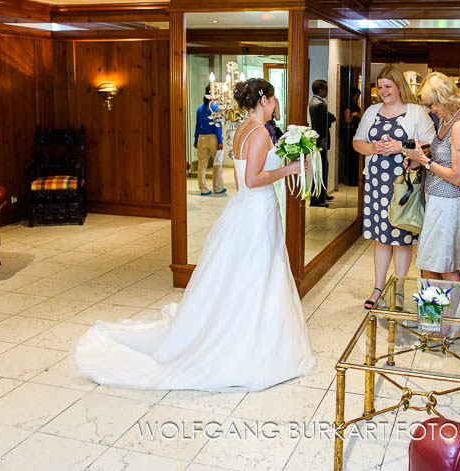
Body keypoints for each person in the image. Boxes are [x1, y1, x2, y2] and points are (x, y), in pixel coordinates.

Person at [72, 78, 315, 391]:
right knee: (258, 274)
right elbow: (253, 180)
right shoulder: (258, 133)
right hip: (256, 212)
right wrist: (290, 169)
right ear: (265, 100)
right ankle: (251, 342)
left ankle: (255, 330)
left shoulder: (243, 128)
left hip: (249, 209)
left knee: (249, 274)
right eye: (274, 99)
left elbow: (241, 183)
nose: (276, 104)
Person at [353, 65, 435, 309]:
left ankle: (398, 288)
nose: (383, 91)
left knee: (401, 236)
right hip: (377, 184)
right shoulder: (372, 111)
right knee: (381, 237)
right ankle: (378, 287)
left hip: (402, 184)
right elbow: (358, 142)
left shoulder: (416, 112)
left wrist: (401, 146)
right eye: (379, 87)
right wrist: (373, 148)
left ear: (399, 86)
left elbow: (431, 142)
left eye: (388, 86)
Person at [405, 73, 460, 284]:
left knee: (446, 266)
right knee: (429, 264)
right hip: (435, 200)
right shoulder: (446, 120)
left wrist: (424, 161)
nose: (428, 110)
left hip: (447, 202)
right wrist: (418, 160)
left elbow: (457, 176)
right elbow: (442, 160)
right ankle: (433, 314)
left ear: (443, 98)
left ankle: (449, 317)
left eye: (430, 105)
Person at [309, 79, 336, 207]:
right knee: (321, 169)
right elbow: (331, 118)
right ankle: (317, 198)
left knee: (322, 167)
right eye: (326, 88)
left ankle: (322, 194)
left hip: (317, 140)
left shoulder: (313, 102)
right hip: (321, 141)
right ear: (320, 90)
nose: (327, 91)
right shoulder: (320, 104)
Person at [194, 86, 225, 196]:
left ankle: (203, 189)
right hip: (213, 138)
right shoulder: (216, 107)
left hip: (201, 138)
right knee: (217, 163)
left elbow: (197, 125)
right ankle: (218, 188)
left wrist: (195, 139)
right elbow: (217, 126)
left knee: (202, 165)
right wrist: (220, 141)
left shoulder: (199, 108)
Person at [339, 87, 362, 186]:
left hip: (354, 132)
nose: (357, 98)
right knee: (349, 156)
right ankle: (348, 178)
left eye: (358, 96)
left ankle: (354, 177)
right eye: (356, 96)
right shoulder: (348, 106)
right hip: (348, 133)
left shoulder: (356, 106)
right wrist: (354, 115)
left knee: (354, 157)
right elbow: (347, 120)